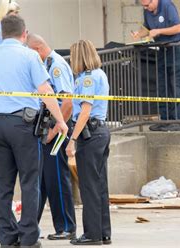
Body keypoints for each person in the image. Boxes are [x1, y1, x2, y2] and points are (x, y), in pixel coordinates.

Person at [0, 15, 68, 247]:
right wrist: (60, 121)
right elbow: (46, 90)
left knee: (1, 184)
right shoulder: (29, 56)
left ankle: (7, 238)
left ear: (2, 34)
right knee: (29, 182)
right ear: (24, 33)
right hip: (23, 126)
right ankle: (28, 238)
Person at [26, 33, 77, 240]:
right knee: (44, 180)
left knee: (57, 178)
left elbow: (67, 103)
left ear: (37, 49)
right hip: (48, 129)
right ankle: (30, 227)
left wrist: (55, 132)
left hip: (57, 131)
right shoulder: (47, 64)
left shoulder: (56, 65)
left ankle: (66, 226)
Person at [66, 39, 112, 246]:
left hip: (90, 134)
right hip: (100, 131)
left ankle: (92, 234)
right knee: (100, 184)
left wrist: (72, 140)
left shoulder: (87, 79)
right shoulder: (99, 74)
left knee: (89, 186)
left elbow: (84, 111)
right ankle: (103, 232)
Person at [131, 0, 180, 132]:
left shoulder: (167, 6)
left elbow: (178, 28)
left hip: (175, 47)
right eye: (143, 6)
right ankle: (165, 119)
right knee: (163, 86)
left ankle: (178, 120)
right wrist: (139, 34)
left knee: (176, 85)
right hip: (162, 49)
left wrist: (159, 31)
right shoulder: (148, 11)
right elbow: (147, 28)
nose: (146, 8)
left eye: (147, 5)